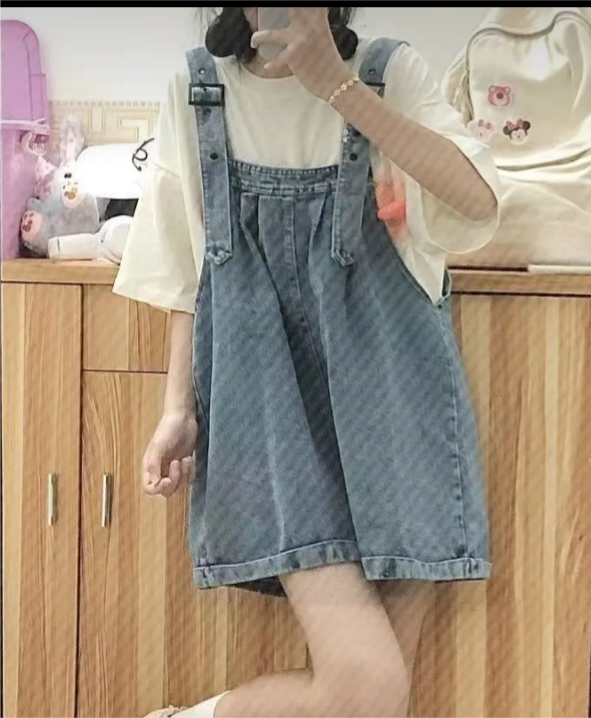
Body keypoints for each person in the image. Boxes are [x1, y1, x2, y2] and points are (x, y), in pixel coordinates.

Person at [114, 7, 500, 718]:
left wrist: (338, 88)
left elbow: (478, 203)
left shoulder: (388, 74)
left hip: (394, 418)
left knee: (377, 704)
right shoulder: (199, 91)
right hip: (270, 426)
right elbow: (189, 269)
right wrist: (177, 408)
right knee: (367, 690)